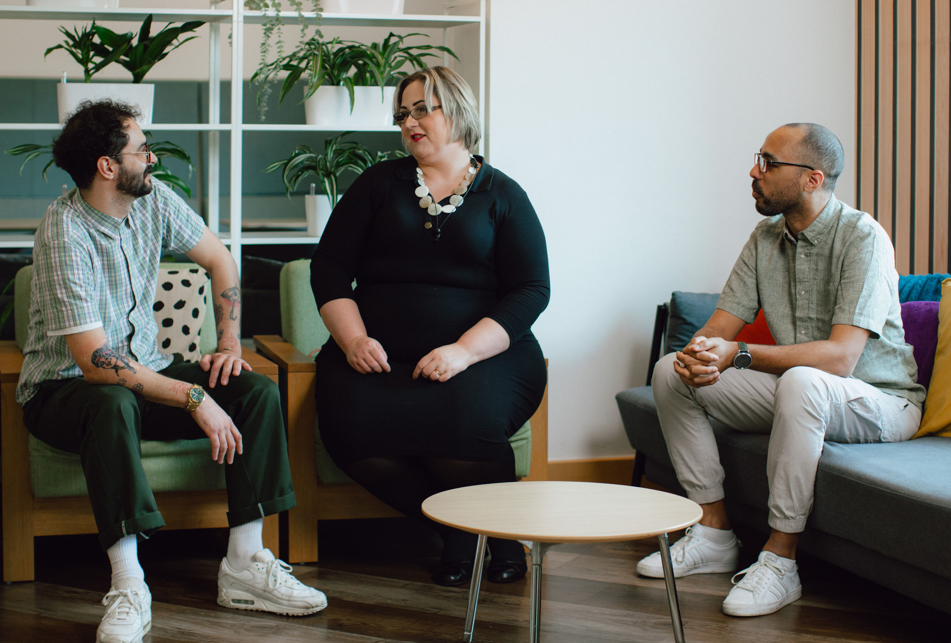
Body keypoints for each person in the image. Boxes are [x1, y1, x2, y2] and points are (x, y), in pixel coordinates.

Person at [17, 100, 327, 643]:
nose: (153, 157)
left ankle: (245, 562)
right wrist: (192, 397)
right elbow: (95, 362)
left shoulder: (154, 200)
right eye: (142, 149)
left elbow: (221, 259)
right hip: (64, 391)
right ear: (107, 166)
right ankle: (129, 582)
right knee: (111, 401)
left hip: (147, 374)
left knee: (250, 389)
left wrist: (229, 343)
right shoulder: (64, 231)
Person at [637, 123, 924, 617]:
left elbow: (840, 359)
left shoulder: (864, 237)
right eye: (758, 158)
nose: (754, 171)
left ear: (813, 179)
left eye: (768, 163)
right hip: (804, 395)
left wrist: (739, 354)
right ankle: (713, 533)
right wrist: (698, 353)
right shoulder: (766, 237)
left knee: (804, 379)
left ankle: (780, 559)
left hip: (880, 401)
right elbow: (720, 328)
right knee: (669, 372)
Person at [309, 67, 549, 587]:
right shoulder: (377, 185)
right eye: (402, 113)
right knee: (349, 427)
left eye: (423, 108)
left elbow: (532, 289)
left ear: (458, 110)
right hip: (377, 354)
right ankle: (466, 531)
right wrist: (352, 339)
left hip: (485, 355)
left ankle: (496, 533)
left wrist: (463, 351)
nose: (409, 121)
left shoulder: (504, 194)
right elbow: (328, 267)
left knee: (464, 415)